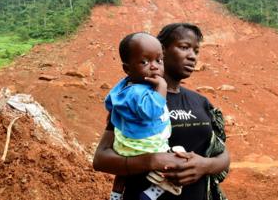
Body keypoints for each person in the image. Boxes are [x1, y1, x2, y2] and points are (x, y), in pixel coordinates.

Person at [93, 23, 230, 200]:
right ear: (162, 51)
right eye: (184, 47)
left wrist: (205, 165)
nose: (192, 56)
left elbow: (223, 155)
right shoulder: (134, 101)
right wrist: (151, 161)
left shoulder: (201, 102)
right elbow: (101, 159)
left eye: (196, 51)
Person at [106, 32, 184, 200]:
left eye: (159, 60)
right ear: (127, 68)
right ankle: (153, 192)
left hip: (125, 147)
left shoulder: (125, 86)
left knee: (122, 174)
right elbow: (152, 111)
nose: (154, 66)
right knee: (179, 159)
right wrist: (162, 87)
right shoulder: (138, 92)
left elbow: (109, 102)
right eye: (145, 61)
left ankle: (116, 194)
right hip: (147, 148)